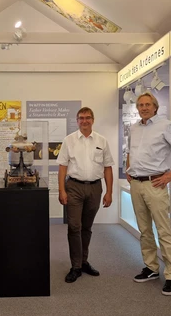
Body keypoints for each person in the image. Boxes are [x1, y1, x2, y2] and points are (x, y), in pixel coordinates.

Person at [125, 92, 171, 296]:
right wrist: (129, 169)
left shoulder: (166, 126)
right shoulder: (135, 128)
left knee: (163, 231)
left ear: (155, 107)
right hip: (137, 184)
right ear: (137, 108)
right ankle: (151, 268)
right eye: (140, 105)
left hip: (155, 184)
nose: (144, 107)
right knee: (144, 230)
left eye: (147, 104)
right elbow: (130, 151)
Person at [57, 107, 114, 283]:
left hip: (95, 189)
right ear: (77, 120)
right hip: (74, 187)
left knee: (86, 227)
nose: (84, 121)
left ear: (93, 120)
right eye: (81, 118)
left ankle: (84, 261)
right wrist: (62, 190)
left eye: (88, 118)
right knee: (74, 226)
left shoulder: (102, 141)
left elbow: (107, 167)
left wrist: (109, 192)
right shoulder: (69, 140)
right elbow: (62, 167)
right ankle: (75, 266)